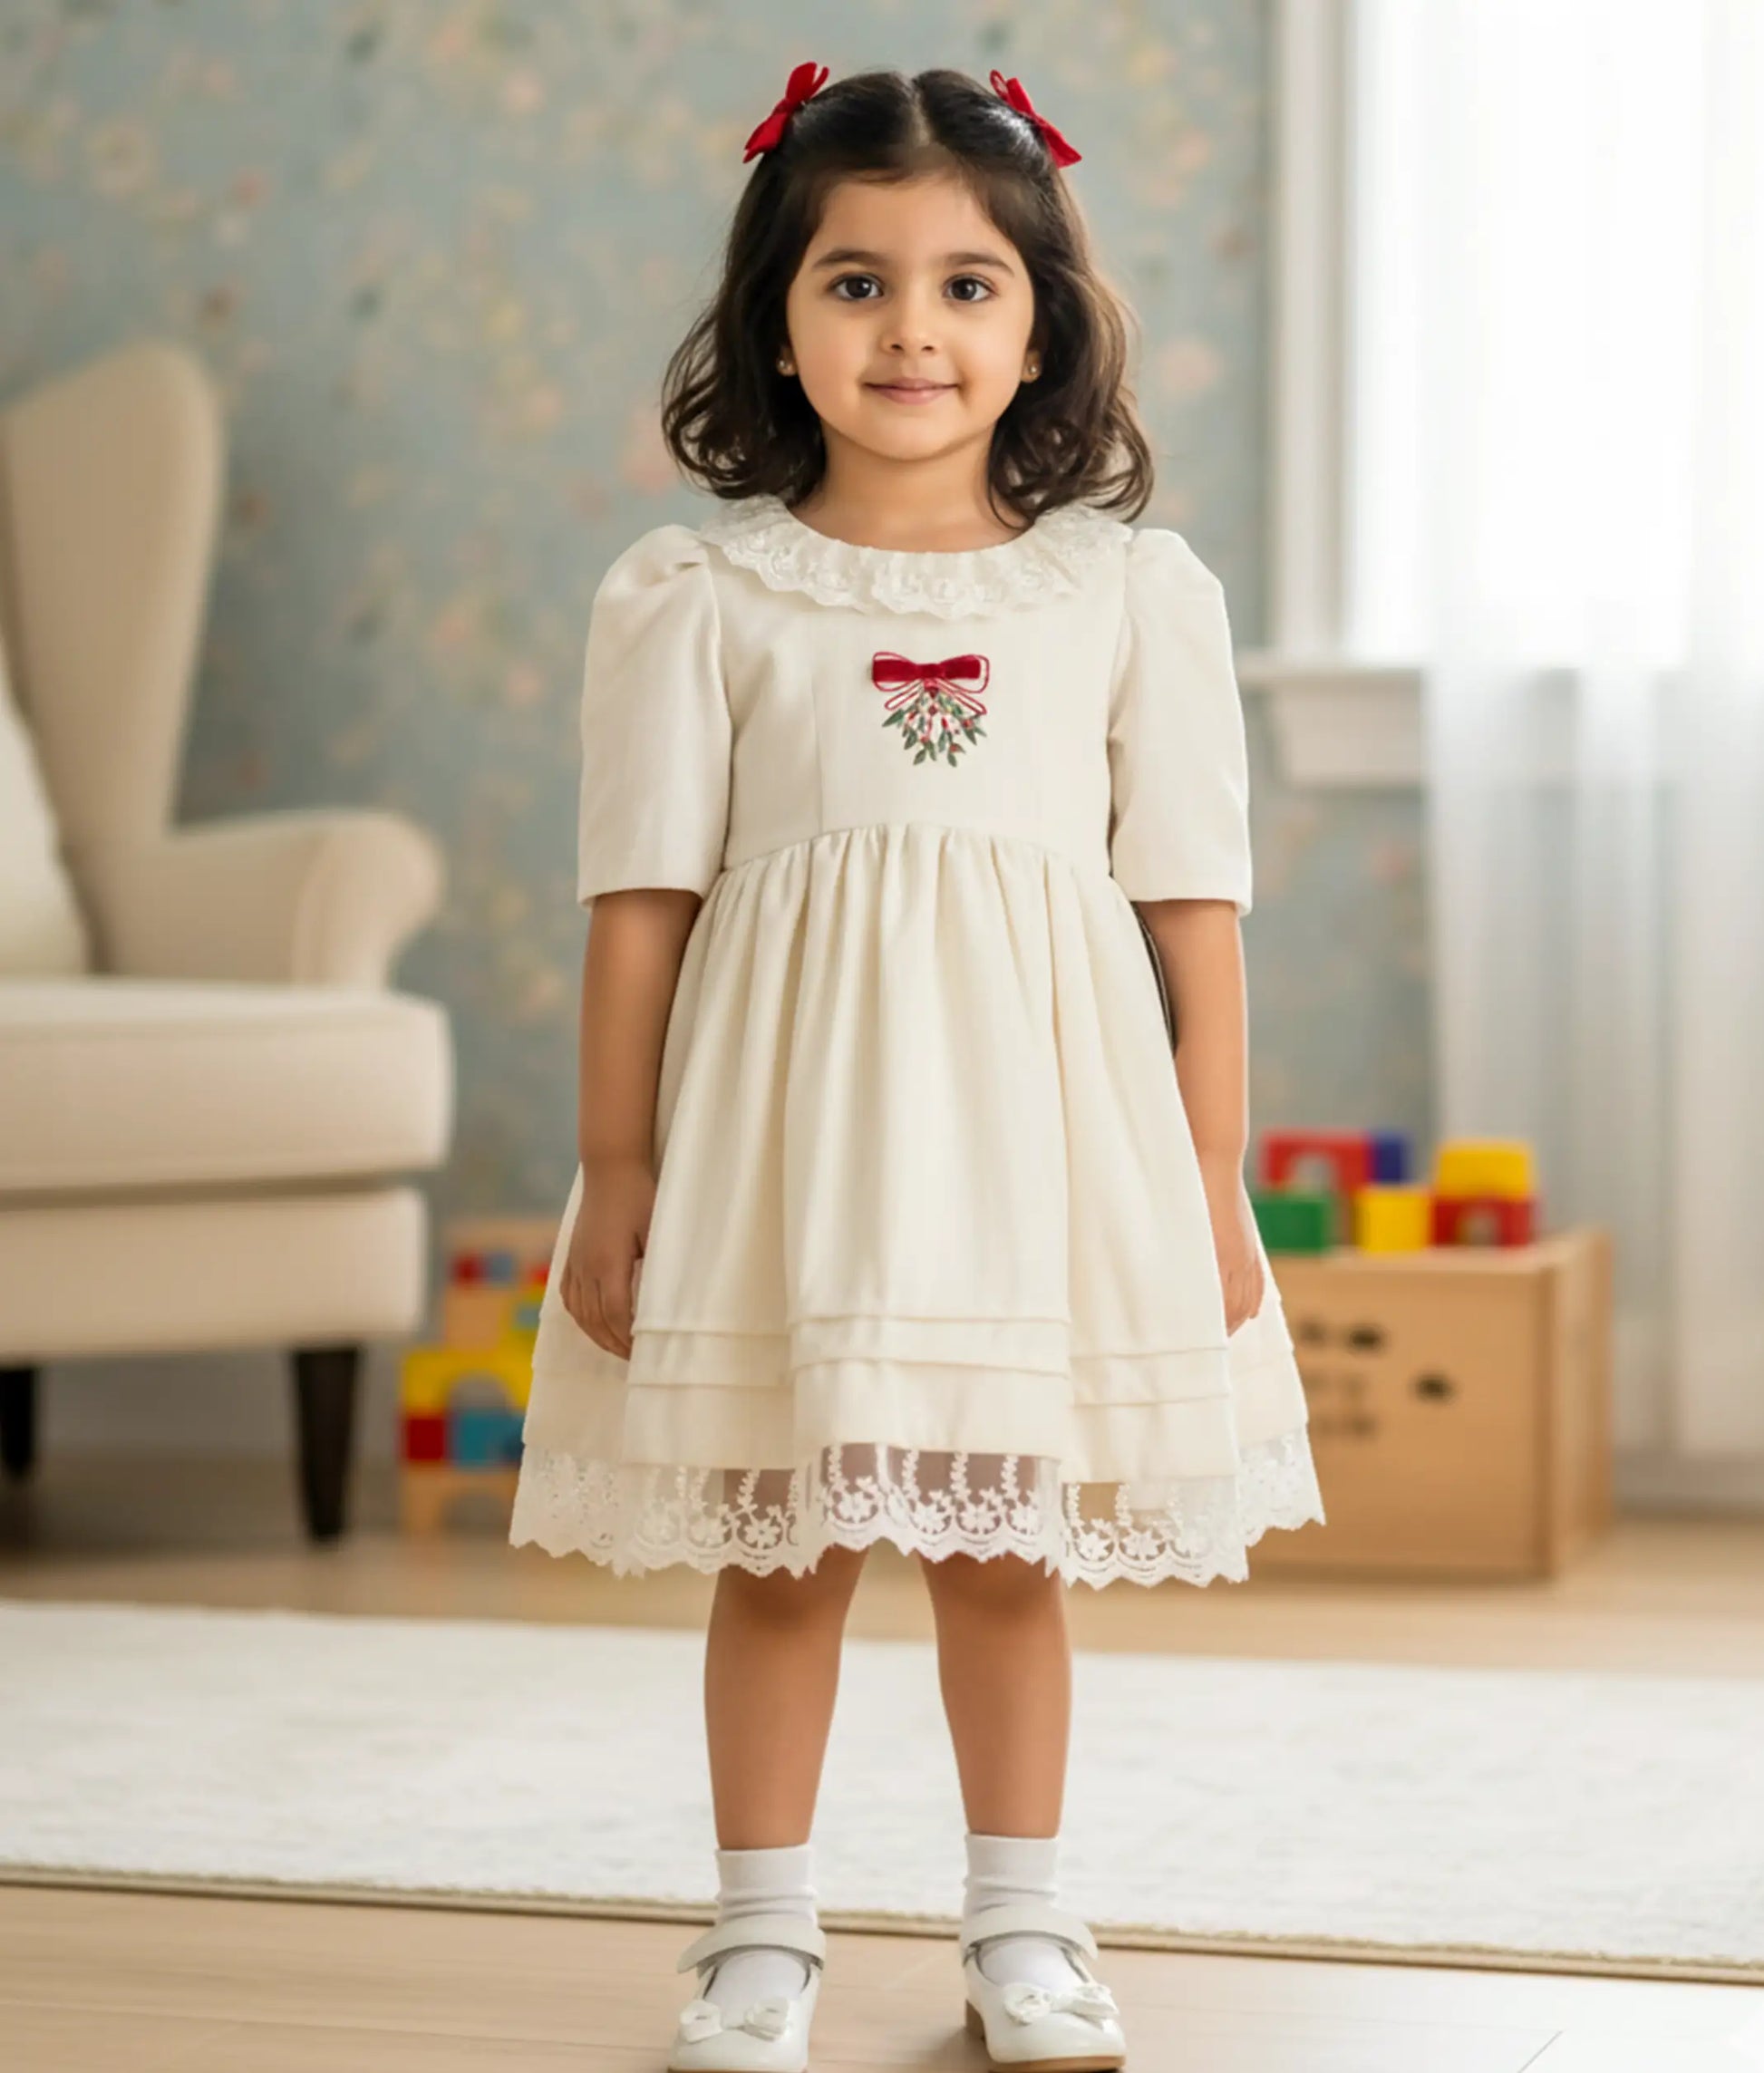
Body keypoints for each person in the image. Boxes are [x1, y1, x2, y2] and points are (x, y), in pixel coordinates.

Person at [509, 58, 1326, 2073]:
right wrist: (616, 1170)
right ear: (775, 313)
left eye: (967, 285)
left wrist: (1206, 1179)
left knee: (1000, 1544)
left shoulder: (1132, 591)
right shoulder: (696, 591)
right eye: (855, 282)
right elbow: (641, 905)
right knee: (784, 1552)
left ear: (1038, 317)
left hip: (1040, 1152)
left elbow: (1190, 911)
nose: (911, 330)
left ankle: (1025, 1920)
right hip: (789, 1149)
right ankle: (758, 1934)